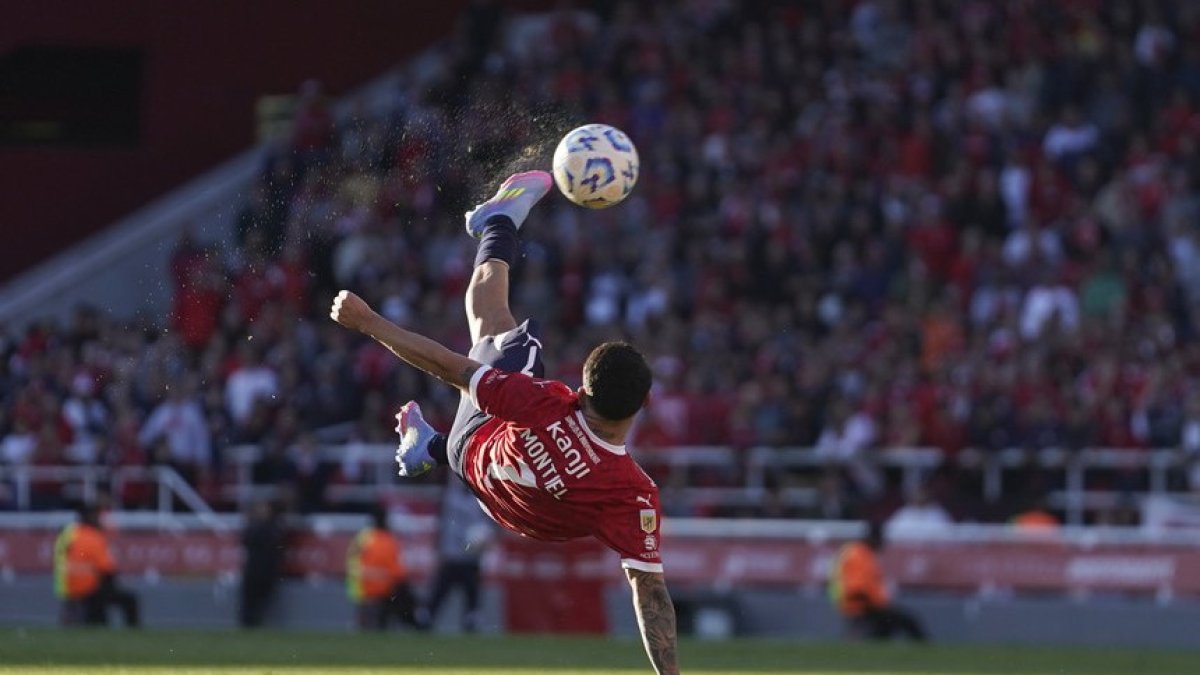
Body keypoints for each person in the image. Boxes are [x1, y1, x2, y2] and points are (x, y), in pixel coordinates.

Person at [330, 171, 679, 675]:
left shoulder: (544, 402)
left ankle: (498, 223)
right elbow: (651, 592)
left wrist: (368, 322)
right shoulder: (634, 494)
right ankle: (425, 445)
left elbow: (447, 366)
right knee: (492, 342)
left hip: (473, 454)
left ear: (581, 387)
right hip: (501, 505)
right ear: (644, 401)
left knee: (498, 330)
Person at [828, 521, 927, 642]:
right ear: (874, 538)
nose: (883, 543)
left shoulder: (859, 552)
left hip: (862, 605)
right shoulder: (859, 555)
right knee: (907, 621)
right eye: (881, 539)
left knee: (889, 625)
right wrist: (879, 605)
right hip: (862, 607)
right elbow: (857, 588)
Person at [418, 476, 494, 632]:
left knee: (471, 594)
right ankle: (426, 619)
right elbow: (441, 524)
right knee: (440, 592)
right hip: (451, 554)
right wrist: (438, 548)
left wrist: (485, 537)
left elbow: (489, 526)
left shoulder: (481, 498)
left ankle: (471, 620)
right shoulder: (449, 496)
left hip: (470, 557)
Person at [54, 503, 140, 627]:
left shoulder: (65, 535)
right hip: (89, 589)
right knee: (128, 600)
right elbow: (107, 569)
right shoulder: (94, 537)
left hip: (66, 589)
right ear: (91, 517)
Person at [347, 503, 419, 630]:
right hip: (382, 593)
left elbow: (350, 563)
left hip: (361, 591)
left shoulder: (362, 538)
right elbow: (398, 573)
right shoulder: (388, 541)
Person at [239, 500, 287, 628]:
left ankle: (255, 622)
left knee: (261, 599)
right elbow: (245, 540)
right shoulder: (254, 526)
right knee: (249, 599)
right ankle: (247, 623)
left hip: (266, 569)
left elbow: (277, 546)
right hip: (253, 568)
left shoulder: (274, 527)